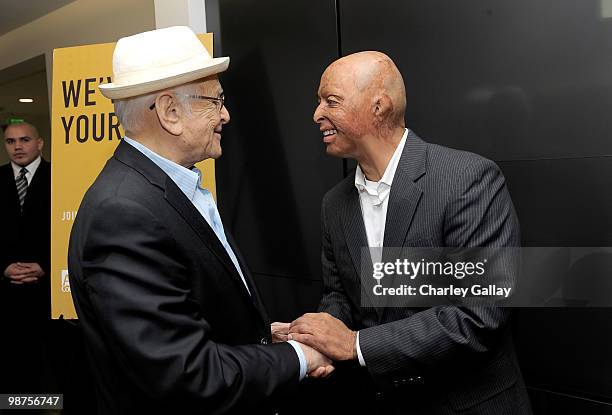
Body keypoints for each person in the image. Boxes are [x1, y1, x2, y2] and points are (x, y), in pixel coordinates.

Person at [68, 26, 332, 415]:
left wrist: (258, 335)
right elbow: (186, 374)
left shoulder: (166, 189)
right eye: (215, 101)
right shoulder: (124, 213)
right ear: (171, 112)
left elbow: (186, 314)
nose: (225, 115)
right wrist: (299, 357)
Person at [286, 51, 533, 414]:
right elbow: (340, 294)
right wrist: (314, 337)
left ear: (379, 106)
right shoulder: (334, 204)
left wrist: (355, 344)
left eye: (331, 101)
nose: (317, 114)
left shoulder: (468, 180)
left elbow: (479, 316)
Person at [0, 121, 51, 393]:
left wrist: (46, 266)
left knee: (51, 368)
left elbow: (68, 230)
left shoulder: (60, 177)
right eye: (10, 141)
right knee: (13, 373)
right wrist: (4, 267)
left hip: (49, 294)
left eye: (24, 139)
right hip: (6, 294)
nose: (18, 146)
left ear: (39, 143)